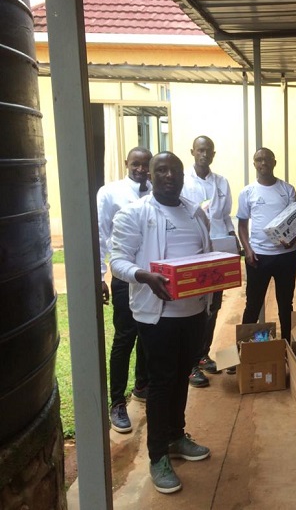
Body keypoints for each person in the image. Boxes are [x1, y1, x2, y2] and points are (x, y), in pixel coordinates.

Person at [110, 152, 212, 494]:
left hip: (193, 312)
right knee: (161, 383)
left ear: (183, 176)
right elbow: (118, 260)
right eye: (161, 170)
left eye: (175, 170)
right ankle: (158, 457)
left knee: (182, 376)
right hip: (158, 316)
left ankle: (176, 436)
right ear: (150, 177)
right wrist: (144, 276)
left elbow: (207, 254)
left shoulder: (195, 212)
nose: (169, 175)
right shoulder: (134, 214)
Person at [96, 146, 152, 434]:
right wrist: (99, 276)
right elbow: (100, 234)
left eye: (145, 165)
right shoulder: (110, 193)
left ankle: (142, 385)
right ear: (126, 163)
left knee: (148, 331)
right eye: (135, 164)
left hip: (153, 278)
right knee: (125, 337)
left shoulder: (157, 193)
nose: (141, 170)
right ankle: (117, 402)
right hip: (124, 278)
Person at [181, 135, 240, 387]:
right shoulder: (183, 181)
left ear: (213, 155)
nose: (204, 154)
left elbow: (224, 216)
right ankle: (190, 364)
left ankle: (203, 355)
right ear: (192, 152)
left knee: (213, 306)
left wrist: (233, 238)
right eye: (200, 150)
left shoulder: (221, 182)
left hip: (218, 251)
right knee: (194, 307)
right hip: (194, 252)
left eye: (209, 151)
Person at [237, 147, 296, 342]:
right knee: (253, 305)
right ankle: (244, 348)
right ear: (254, 164)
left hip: (286, 256)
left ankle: (286, 346)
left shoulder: (287, 189)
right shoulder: (247, 192)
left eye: (267, 159)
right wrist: (248, 250)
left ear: (274, 162)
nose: (263, 163)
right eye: (259, 159)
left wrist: (292, 239)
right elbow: (242, 225)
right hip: (258, 257)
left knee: (286, 305)